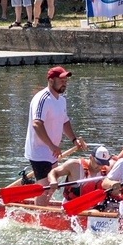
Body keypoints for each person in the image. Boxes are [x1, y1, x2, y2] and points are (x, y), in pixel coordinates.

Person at [24, 66, 88, 206]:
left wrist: (74, 139)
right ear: (51, 80)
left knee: (51, 187)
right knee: (45, 187)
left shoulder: (61, 100)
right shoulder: (43, 99)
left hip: (52, 151)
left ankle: (42, 208)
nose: (64, 83)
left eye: (65, 80)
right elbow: (37, 124)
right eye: (61, 80)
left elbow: (64, 122)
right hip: (39, 151)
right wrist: (51, 145)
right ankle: (40, 215)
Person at [43, 146, 111, 205]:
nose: (100, 166)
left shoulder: (106, 171)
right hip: (71, 208)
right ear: (90, 157)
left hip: (95, 209)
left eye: (103, 163)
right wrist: (53, 181)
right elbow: (54, 172)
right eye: (98, 163)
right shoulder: (75, 165)